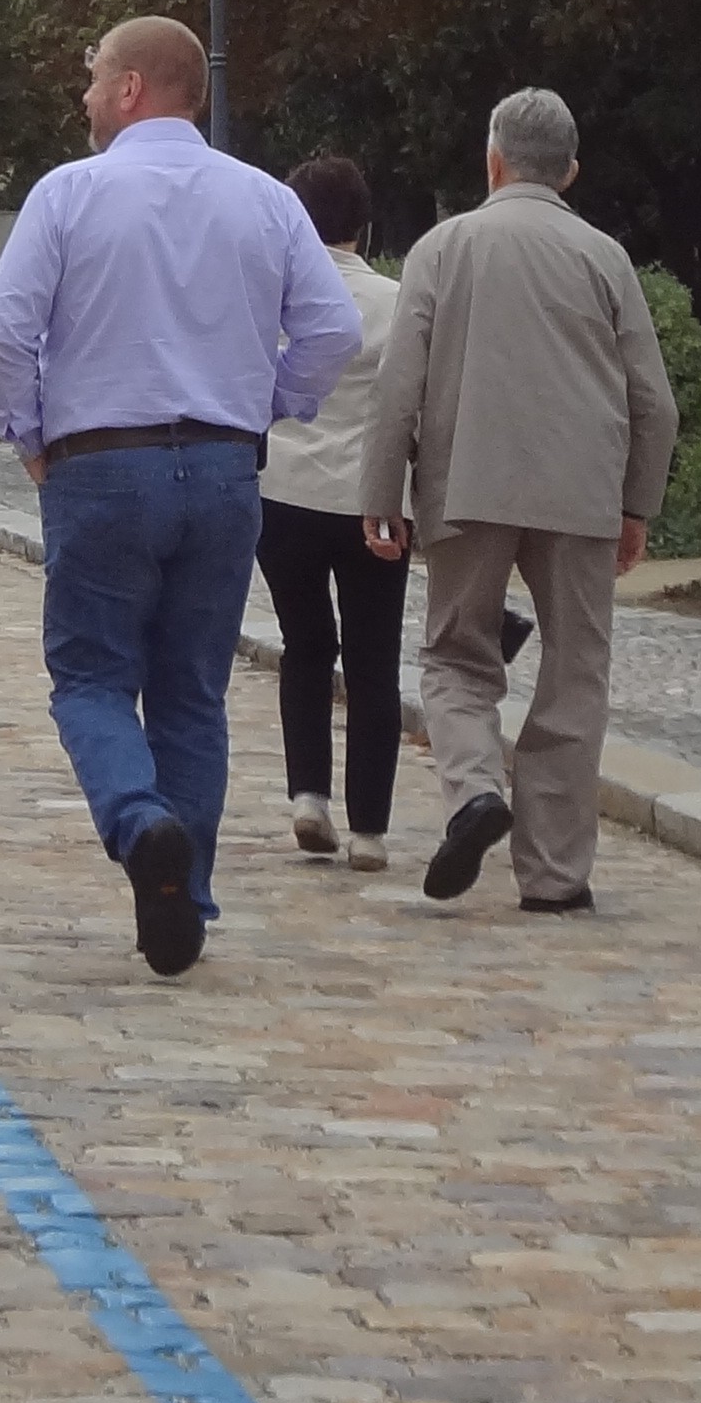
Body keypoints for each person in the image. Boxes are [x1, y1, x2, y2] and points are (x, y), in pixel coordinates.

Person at [0, 15, 357, 976]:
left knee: (93, 677)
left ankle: (142, 823)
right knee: (192, 689)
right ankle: (187, 894)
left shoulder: (70, 194)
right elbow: (334, 329)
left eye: (95, 77)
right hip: (224, 468)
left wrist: (27, 434)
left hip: (101, 463)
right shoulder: (266, 199)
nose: (86, 95)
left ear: (133, 87)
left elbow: (1, 332)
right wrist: (267, 402)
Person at [357, 94, 679, 916]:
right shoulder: (605, 257)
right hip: (581, 491)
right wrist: (636, 504)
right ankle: (554, 873)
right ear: (570, 170)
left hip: (465, 483)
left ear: (493, 159)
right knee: (576, 673)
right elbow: (654, 400)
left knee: (456, 655)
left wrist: (382, 492)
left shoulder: (443, 247)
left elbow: (398, 386)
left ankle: (473, 791)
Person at [251, 155, 407, 873]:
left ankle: (309, 796)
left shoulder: (272, 298)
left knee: (306, 645)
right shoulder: (397, 302)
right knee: (375, 661)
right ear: (363, 224)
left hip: (284, 490)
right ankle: (370, 827)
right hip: (371, 499)